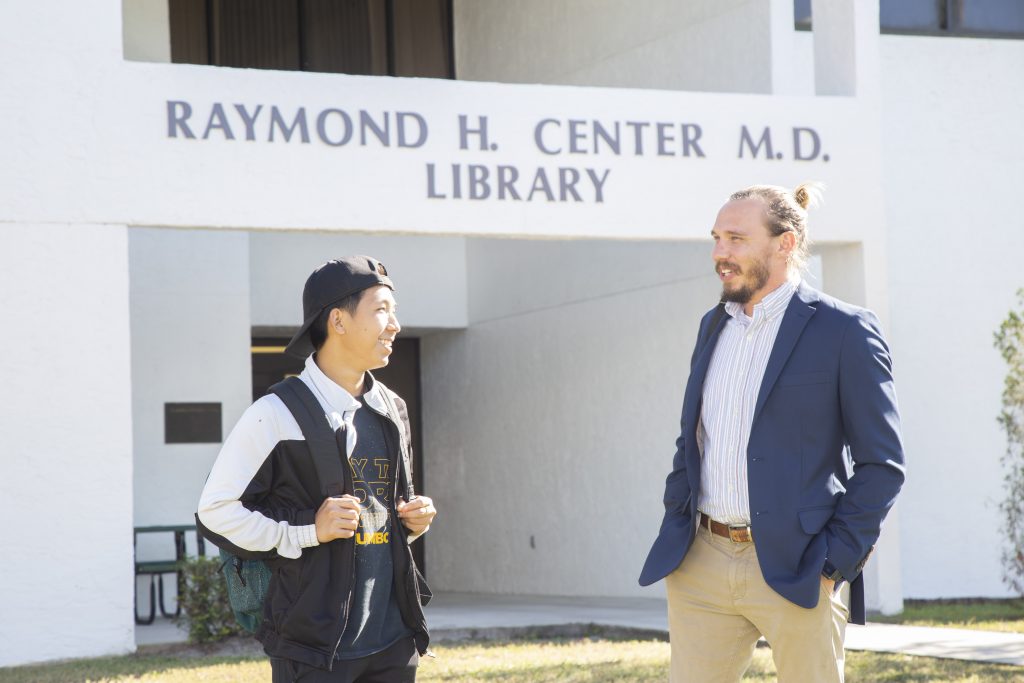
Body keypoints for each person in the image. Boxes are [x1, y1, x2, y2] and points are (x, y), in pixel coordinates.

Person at [639, 184, 905, 682]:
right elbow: (692, 441)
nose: (721, 252)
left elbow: (882, 464)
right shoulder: (712, 326)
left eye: (737, 238)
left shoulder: (845, 331)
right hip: (702, 563)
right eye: (717, 238)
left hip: (800, 565)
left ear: (785, 243)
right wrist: (678, 519)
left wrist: (834, 563)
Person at [198, 256, 436, 683]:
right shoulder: (273, 414)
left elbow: (382, 517)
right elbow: (215, 512)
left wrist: (413, 521)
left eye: (394, 312)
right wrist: (310, 530)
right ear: (338, 321)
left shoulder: (392, 409)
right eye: (381, 310)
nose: (395, 325)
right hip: (313, 651)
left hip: (394, 641)